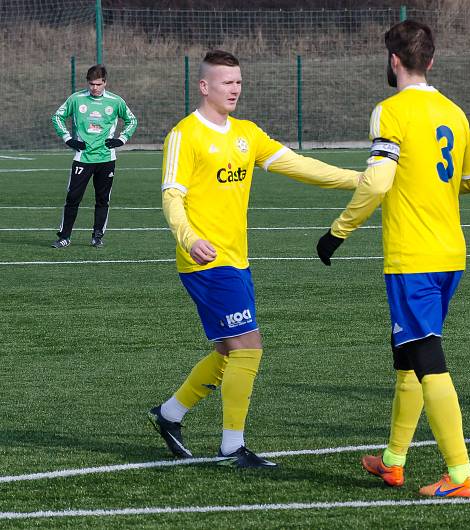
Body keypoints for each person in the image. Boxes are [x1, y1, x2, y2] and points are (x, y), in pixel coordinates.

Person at [149, 50, 362, 468]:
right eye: (227, 82)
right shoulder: (184, 135)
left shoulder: (247, 133)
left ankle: (169, 414)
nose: (235, 89)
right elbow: (172, 196)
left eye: (239, 82)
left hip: (237, 259)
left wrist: (359, 180)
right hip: (206, 261)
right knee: (249, 345)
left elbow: (298, 165)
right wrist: (188, 237)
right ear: (204, 86)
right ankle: (231, 446)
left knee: (231, 349)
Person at [315, 20, 470, 497]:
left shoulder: (389, 111)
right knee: (408, 356)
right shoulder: (455, 112)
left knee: (427, 357)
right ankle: (393, 461)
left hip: (414, 255)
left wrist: (337, 232)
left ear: (393, 61)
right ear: (430, 61)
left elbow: (377, 181)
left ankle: (460, 476)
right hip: (451, 252)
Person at [51, 64, 138, 249]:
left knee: (102, 199)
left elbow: (132, 120)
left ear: (105, 82)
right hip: (82, 158)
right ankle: (64, 236)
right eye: (91, 84)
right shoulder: (76, 99)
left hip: (106, 159)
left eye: (98, 84)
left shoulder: (116, 102)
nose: (94, 88)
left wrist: (121, 139)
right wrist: (68, 139)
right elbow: (57, 117)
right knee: (73, 198)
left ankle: (97, 236)